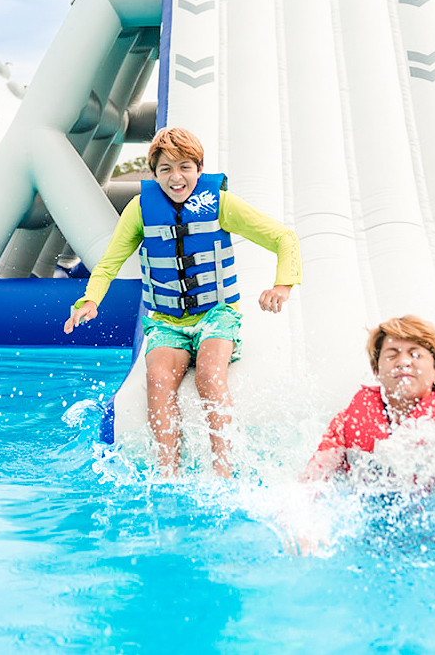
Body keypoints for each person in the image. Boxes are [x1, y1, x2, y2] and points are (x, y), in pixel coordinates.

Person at [65, 127, 301, 478]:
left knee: (208, 373)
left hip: (217, 314)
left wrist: (282, 285)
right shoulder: (140, 209)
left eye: (185, 167)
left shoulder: (219, 203)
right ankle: (167, 471)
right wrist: (90, 300)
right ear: (154, 173)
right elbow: (110, 262)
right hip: (166, 321)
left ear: (199, 168)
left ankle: (223, 467)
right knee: (158, 377)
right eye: (165, 169)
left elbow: (283, 237)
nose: (176, 178)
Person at [302, 315, 435, 482]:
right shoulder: (345, 423)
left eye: (415, 354)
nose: (403, 362)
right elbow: (310, 482)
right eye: (392, 355)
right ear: (376, 371)